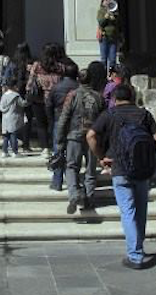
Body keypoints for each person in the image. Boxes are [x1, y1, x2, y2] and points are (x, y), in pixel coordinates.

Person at [87, 83, 156, 269]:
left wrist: (101, 157)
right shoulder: (144, 114)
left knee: (128, 211)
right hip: (142, 169)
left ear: (114, 98)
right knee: (141, 210)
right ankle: (139, 247)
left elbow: (90, 135)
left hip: (119, 168)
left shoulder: (109, 114)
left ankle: (135, 255)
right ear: (132, 96)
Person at [57, 61, 106, 214]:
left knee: (72, 167)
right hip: (93, 136)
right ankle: (89, 198)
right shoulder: (99, 97)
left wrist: (59, 140)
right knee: (91, 169)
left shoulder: (72, 95)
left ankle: (74, 194)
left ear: (79, 80)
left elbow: (64, 118)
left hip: (74, 135)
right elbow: (104, 119)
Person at [26, 43, 65, 156]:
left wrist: (29, 90)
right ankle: (54, 144)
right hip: (55, 98)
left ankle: (45, 148)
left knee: (40, 124)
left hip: (39, 98)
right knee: (53, 122)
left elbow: (30, 82)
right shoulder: (60, 67)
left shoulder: (37, 65)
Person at [47, 61, 79, 191]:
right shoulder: (79, 87)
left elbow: (49, 105)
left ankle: (57, 181)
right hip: (75, 122)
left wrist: (51, 120)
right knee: (73, 152)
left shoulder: (56, 87)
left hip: (58, 120)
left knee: (58, 151)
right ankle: (74, 180)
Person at [4, 42, 34, 153]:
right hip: (27, 94)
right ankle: (26, 145)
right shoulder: (30, 63)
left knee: (14, 118)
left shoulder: (12, 63)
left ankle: (14, 143)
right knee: (27, 119)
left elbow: (6, 78)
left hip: (14, 93)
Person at [0, 81, 27, 158]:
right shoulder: (16, 96)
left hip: (5, 118)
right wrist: (28, 101)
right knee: (13, 135)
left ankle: (4, 152)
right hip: (13, 117)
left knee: (6, 136)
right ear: (14, 87)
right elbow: (22, 104)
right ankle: (15, 152)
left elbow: (1, 107)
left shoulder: (4, 95)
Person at [97, 0, 120, 73]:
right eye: (106, 0)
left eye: (109, 0)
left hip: (113, 38)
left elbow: (118, 24)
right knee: (104, 59)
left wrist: (114, 19)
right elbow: (100, 22)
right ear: (103, 2)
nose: (107, 2)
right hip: (104, 37)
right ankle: (103, 76)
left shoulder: (115, 12)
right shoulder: (101, 11)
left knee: (112, 59)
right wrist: (105, 17)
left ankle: (111, 76)